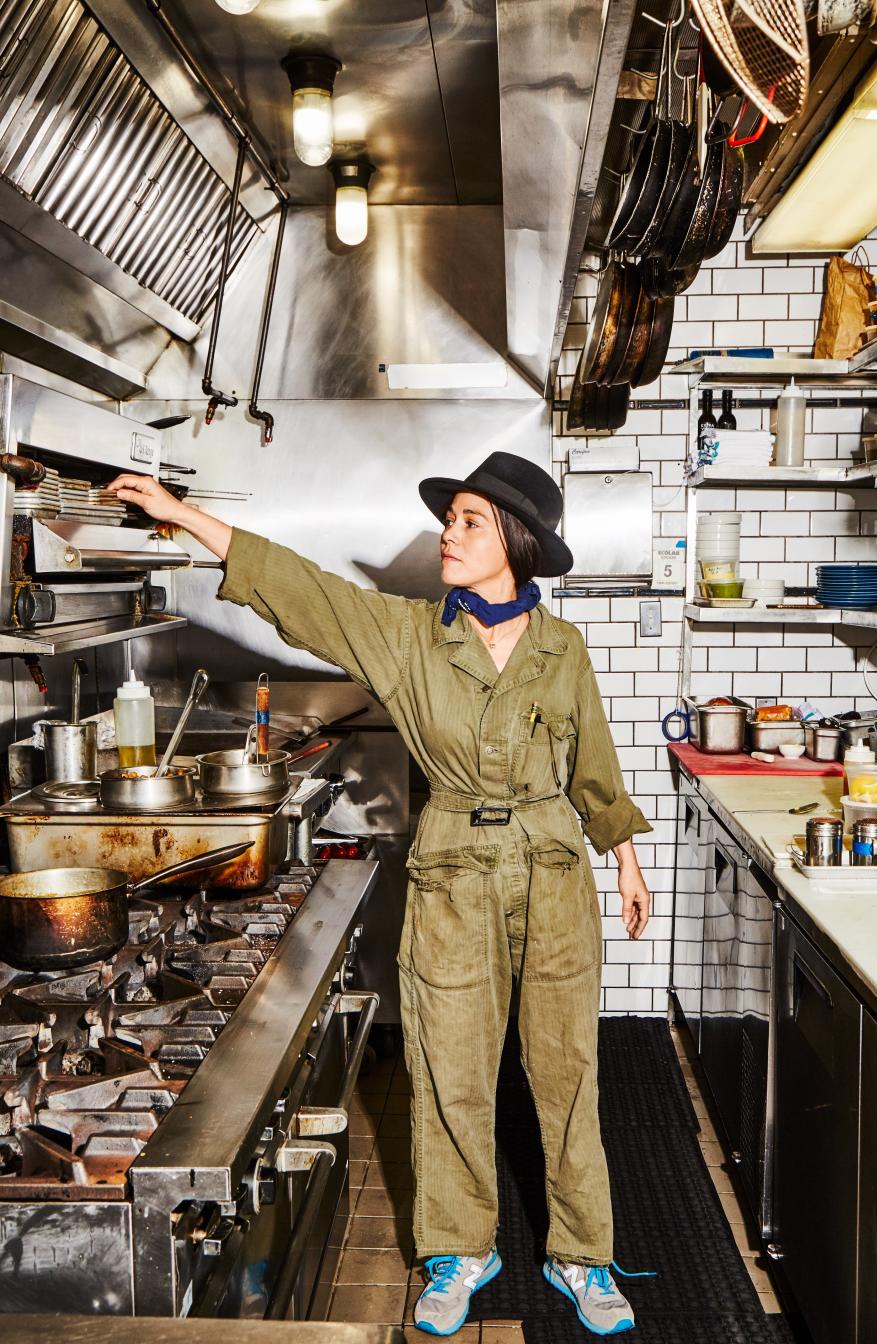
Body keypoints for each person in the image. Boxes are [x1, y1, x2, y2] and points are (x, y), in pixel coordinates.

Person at [109, 452, 653, 1337]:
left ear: (515, 541)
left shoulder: (563, 650)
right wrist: (185, 515)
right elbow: (301, 590)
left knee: (568, 1073)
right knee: (450, 1072)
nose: (450, 531)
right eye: (453, 517)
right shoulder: (406, 635)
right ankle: (459, 1250)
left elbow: (593, 767)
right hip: (450, 874)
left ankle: (584, 1256)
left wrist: (624, 859)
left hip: (554, 872)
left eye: (471, 520)